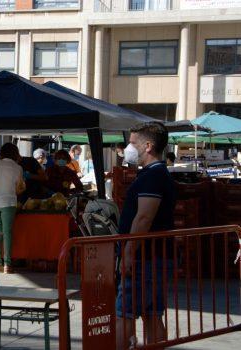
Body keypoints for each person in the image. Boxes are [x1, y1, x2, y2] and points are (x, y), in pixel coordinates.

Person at [115, 121, 175, 349]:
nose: (128, 148)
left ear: (147, 146)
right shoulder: (155, 174)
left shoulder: (153, 176)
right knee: (151, 314)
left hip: (145, 259)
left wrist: (129, 252)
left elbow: (144, 218)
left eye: (132, 143)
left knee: (124, 314)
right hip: (153, 256)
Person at [0, 143, 25, 274]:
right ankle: (7, 265)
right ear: (15, 153)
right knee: (7, 232)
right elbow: (19, 188)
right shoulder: (18, 168)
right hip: (8, 202)